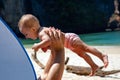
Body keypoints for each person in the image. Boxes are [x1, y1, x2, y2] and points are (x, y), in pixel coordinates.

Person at [18, 14, 109, 76]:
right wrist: (44, 47)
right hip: (68, 44)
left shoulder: (42, 33)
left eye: (26, 34)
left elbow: (48, 40)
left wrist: (38, 45)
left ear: (33, 29)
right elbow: (49, 45)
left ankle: (102, 55)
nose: (26, 37)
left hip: (70, 39)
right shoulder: (41, 34)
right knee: (82, 54)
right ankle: (93, 65)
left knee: (85, 48)